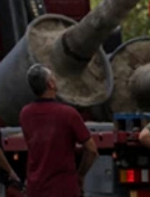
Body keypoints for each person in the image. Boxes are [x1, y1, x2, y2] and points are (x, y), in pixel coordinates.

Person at [19, 64, 98, 197]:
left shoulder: (25, 114)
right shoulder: (68, 114)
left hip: (36, 189)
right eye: (54, 77)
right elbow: (91, 149)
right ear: (51, 84)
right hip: (64, 189)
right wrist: (81, 175)